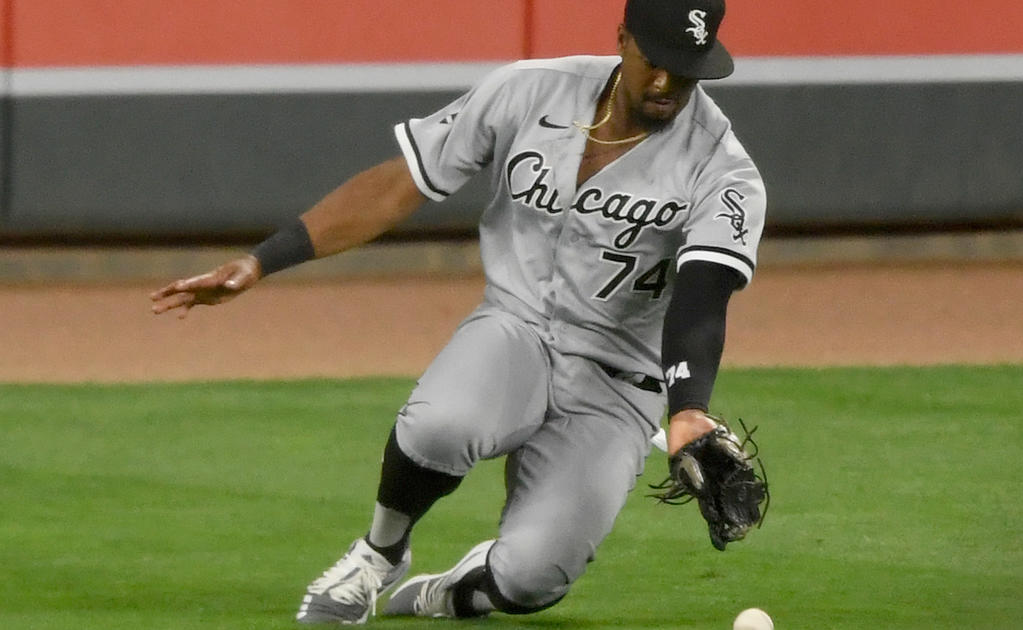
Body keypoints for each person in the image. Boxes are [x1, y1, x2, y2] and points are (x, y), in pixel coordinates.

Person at [150, 0, 765, 624]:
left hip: (616, 384)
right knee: (441, 423)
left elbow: (703, 294)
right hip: (516, 331)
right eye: (655, 61)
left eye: (685, 70)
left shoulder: (723, 169)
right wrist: (261, 261)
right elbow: (402, 184)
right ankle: (379, 554)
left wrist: (688, 408)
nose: (666, 84)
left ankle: (458, 588)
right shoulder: (530, 90)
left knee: (533, 579)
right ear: (623, 39)